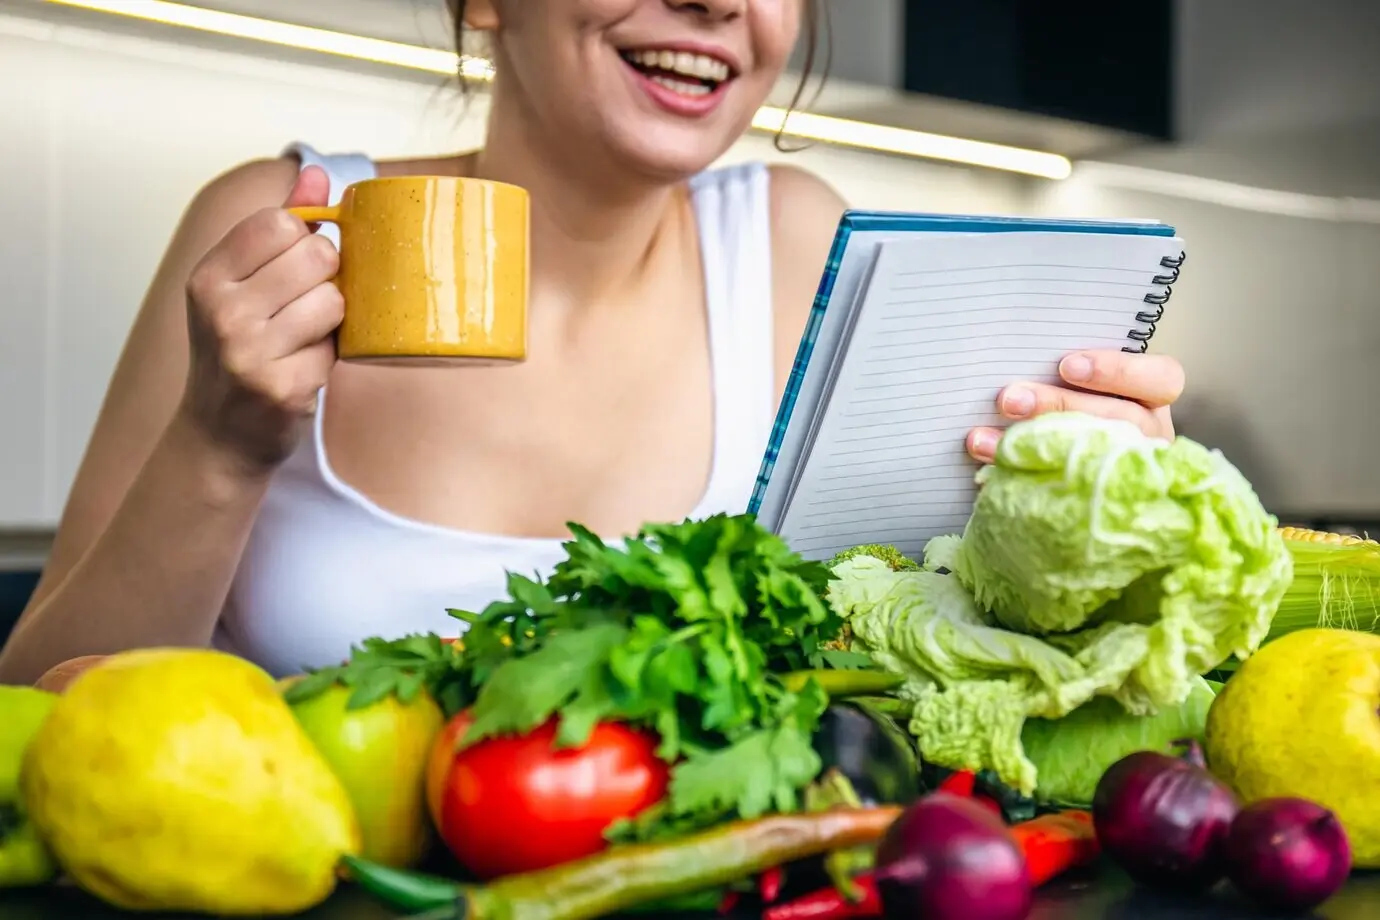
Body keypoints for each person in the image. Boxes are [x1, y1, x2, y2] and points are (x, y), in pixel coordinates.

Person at [0, 0, 1184, 685]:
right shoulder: (269, 225)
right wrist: (219, 441)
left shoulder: (802, 246)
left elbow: (921, 659)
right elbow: (37, 700)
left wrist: (1082, 510)